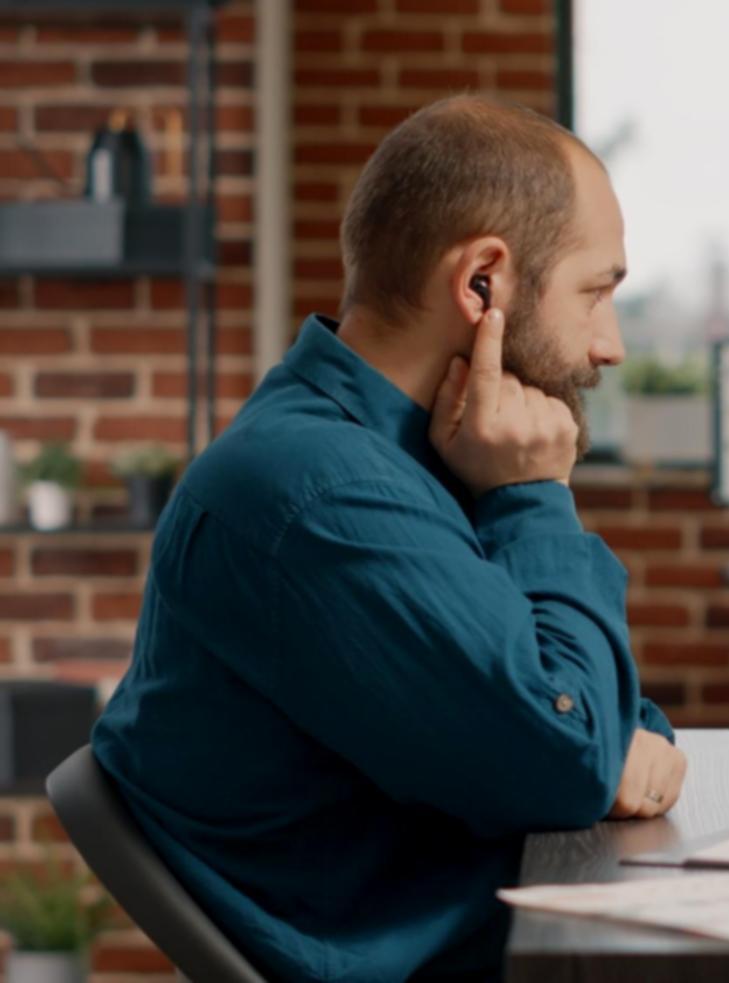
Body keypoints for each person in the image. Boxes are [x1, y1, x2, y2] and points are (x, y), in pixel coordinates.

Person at [91, 95, 684, 982]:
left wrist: (593, 739)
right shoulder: (322, 493)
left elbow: (611, 716)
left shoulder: (416, 462)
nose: (611, 346)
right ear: (483, 282)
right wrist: (532, 496)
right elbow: (576, 750)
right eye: (596, 292)